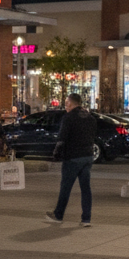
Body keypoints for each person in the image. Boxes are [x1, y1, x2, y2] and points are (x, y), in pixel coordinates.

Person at [45, 93, 96, 227]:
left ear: (70, 103)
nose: (65, 106)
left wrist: (57, 153)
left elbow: (62, 137)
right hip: (87, 156)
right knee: (86, 188)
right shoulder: (90, 118)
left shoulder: (69, 118)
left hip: (73, 157)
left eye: (66, 103)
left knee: (66, 187)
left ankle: (58, 215)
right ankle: (86, 219)